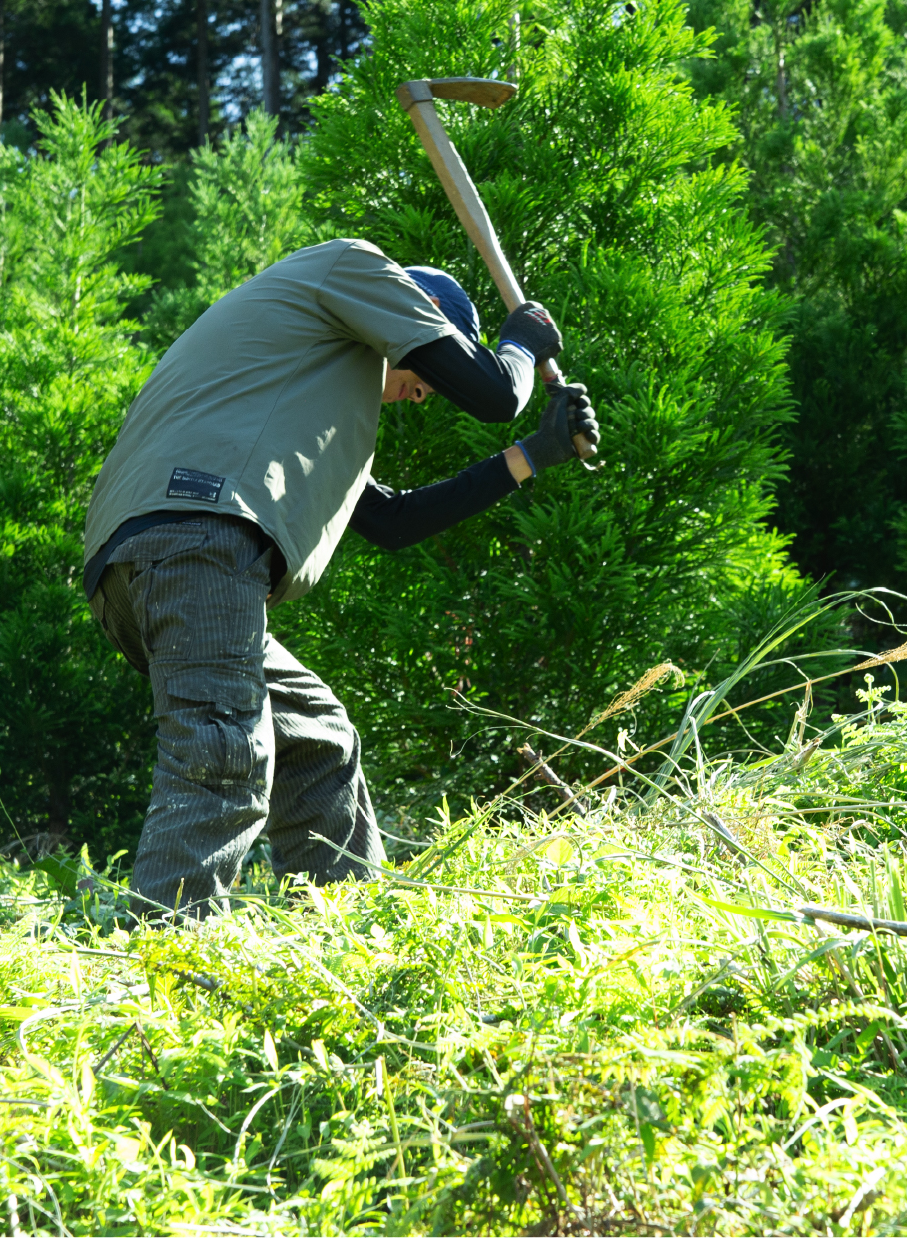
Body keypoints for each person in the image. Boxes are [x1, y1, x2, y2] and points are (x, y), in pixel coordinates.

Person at [83, 237, 600, 919]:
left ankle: (345, 931)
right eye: (432, 372)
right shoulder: (353, 268)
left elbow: (391, 522)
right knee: (226, 758)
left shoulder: (306, 392)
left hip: (149, 560)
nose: (425, 396)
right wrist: (524, 345)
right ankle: (160, 959)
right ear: (413, 321)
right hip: (197, 539)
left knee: (318, 738)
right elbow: (496, 392)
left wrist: (535, 454)